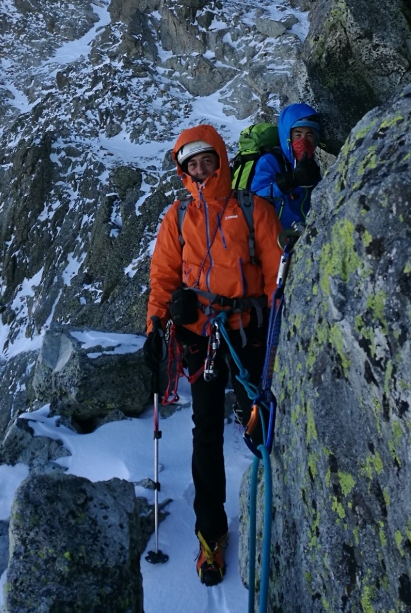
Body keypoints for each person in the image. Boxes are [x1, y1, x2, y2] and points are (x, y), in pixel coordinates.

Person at [144, 124, 283, 587]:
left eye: (207, 161)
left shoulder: (252, 209)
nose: (201, 170)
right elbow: (163, 275)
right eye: (191, 165)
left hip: (247, 334)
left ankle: (280, 509)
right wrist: (156, 327)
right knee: (205, 432)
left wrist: (275, 338)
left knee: (262, 422)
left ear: (221, 159)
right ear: (183, 171)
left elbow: (273, 277)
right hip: (200, 338)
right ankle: (211, 534)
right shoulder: (178, 216)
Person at [250, 103, 322, 229]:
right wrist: (288, 182)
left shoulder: (313, 165)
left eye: (309, 135)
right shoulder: (270, 161)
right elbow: (255, 199)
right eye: (298, 135)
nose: (303, 141)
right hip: (276, 237)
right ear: (287, 137)